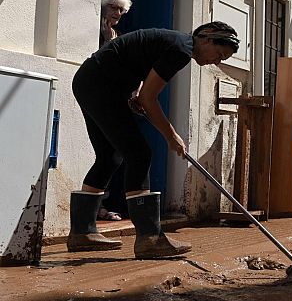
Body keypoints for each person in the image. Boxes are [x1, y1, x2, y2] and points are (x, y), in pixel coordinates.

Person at [68, 21, 239, 259]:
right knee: (139, 154)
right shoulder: (181, 49)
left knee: (110, 157)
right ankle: (149, 238)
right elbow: (150, 99)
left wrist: (136, 93)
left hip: (91, 82)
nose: (217, 61)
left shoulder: (178, 44)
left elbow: (138, 65)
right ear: (207, 39)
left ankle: (82, 232)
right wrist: (172, 136)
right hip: (100, 85)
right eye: (219, 54)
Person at [97, 0, 133, 221]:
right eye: (113, 7)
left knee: (111, 153)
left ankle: (100, 204)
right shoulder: (93, 30)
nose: (117, 14)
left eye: (121, 10)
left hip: (111, 101)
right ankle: (95, 207)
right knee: (105, 154)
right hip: (94, 99)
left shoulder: (116, 37)